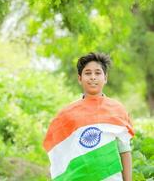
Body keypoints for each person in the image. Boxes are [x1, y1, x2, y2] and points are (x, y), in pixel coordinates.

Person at [43, 52, 134, 181]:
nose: (93, 77)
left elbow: (124, 150)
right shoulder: (68, 114)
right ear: (80, 78)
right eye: (87, 73)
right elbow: (60, 153)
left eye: (97, 73)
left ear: (105, 78)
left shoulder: (117, 110)